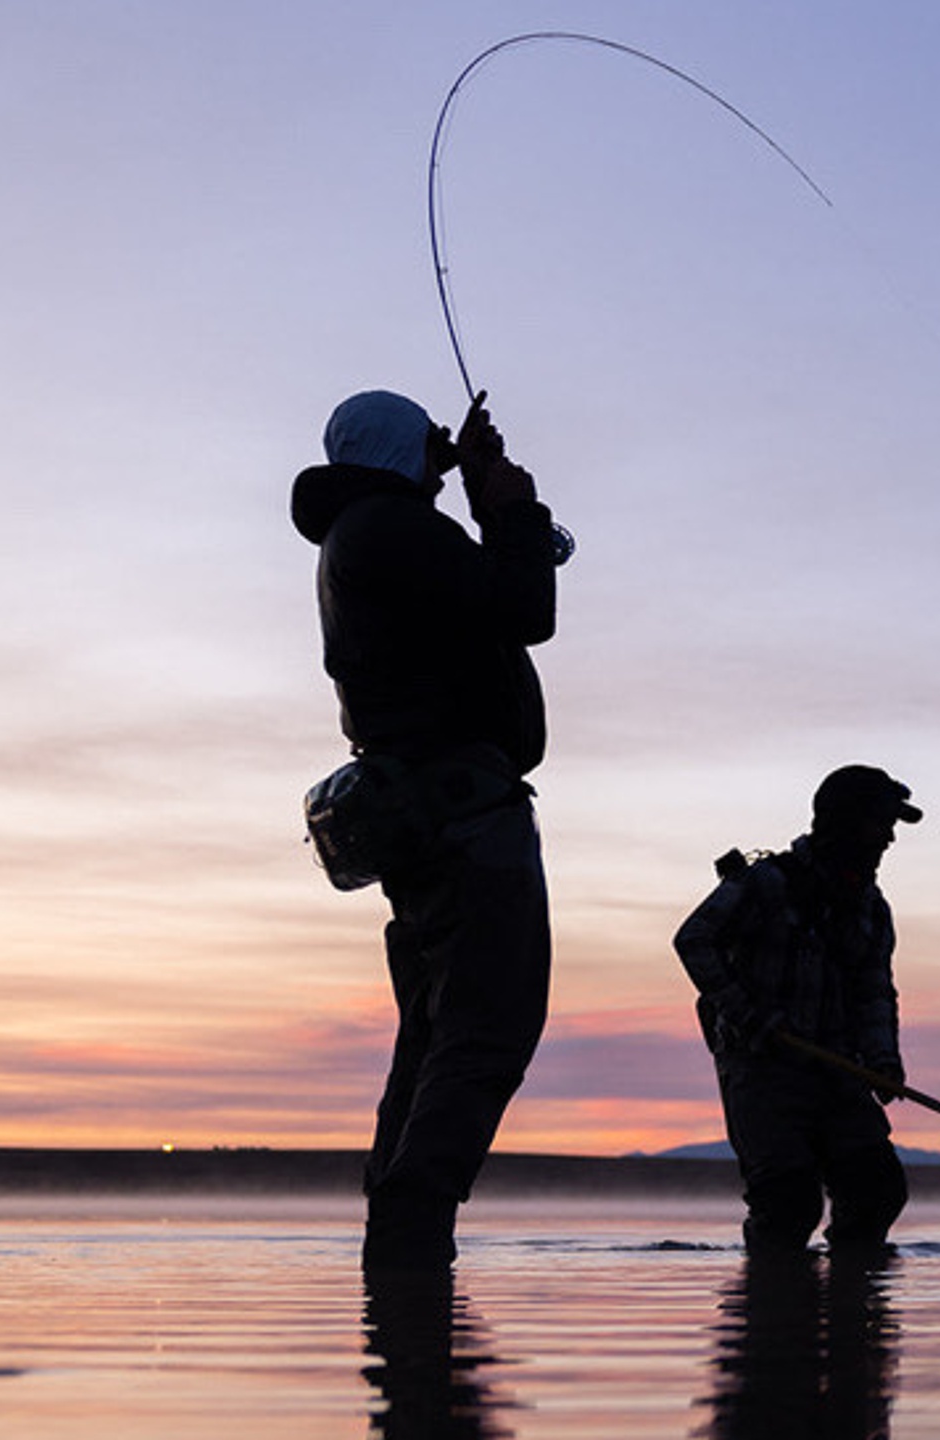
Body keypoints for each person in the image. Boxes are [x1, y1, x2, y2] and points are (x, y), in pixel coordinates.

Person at [290, 388, 561, 1274]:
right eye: (430, 450)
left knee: (436, 1031)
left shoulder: (367, 533)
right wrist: (510, 508)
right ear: (405, 453)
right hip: (464, 820)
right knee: (488, 1024)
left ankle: (397, 1241)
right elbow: (527, 608)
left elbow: (488, 594)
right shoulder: (391, 528)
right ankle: (414, 1223)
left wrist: (476, 488)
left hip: (427, 818)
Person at [674, 765, 921, 1254]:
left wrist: (883, 1062)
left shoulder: (875, 910)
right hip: (762, 1071)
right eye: (881, 824)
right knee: (787, 1203)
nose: (890, 838)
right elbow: (694, 940)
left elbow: (876, 993)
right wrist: (751, 1016)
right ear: (844, 823)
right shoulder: (766, 883)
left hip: (840, 1072)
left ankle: (855, 1310)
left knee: (877, 1191)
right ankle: (772, 1313)